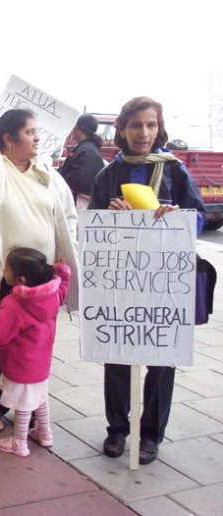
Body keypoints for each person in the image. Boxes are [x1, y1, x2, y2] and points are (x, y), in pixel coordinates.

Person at [0, 88, 79, 432]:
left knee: (37, 345)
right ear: (8, 139)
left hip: (42, 281)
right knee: (1, 344)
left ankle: (34, 406)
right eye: (30, 132)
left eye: (37, 132)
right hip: (5, 279)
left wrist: (65, 253)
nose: (37, 138)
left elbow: (68, 216)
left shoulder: (47, 174)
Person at [89, 96, 206, 465]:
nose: (144, 133)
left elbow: (198, 218)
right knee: (117, 353)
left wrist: (177, 215)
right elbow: (92, 225)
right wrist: (110, 216)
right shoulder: (109, 174)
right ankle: (117, 429)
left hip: (165, 284)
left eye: (151, 125)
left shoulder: (174, 170)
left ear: (160, 128)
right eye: (136, 125)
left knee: (162, 357)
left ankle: (151, 434)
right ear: (122, 129)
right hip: (121, 281)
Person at [0, 248, 70, 457]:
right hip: (41, 363)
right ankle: (45, 434)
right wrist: (62, 271)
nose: (3, 271)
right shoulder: (51, 294)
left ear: (20, 279)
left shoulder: (15, 305)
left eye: (6, 269)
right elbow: (63, 288)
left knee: (23, 404)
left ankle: (20, 442)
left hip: (20, 363)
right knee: (40, 398)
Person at [60, 114, 104, 209]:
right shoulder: (86, 148)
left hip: (80, 204)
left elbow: (81, 180)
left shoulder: (87, 151)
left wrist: (60, 182)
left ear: (80, 129)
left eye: (74, 127)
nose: (72, 131)